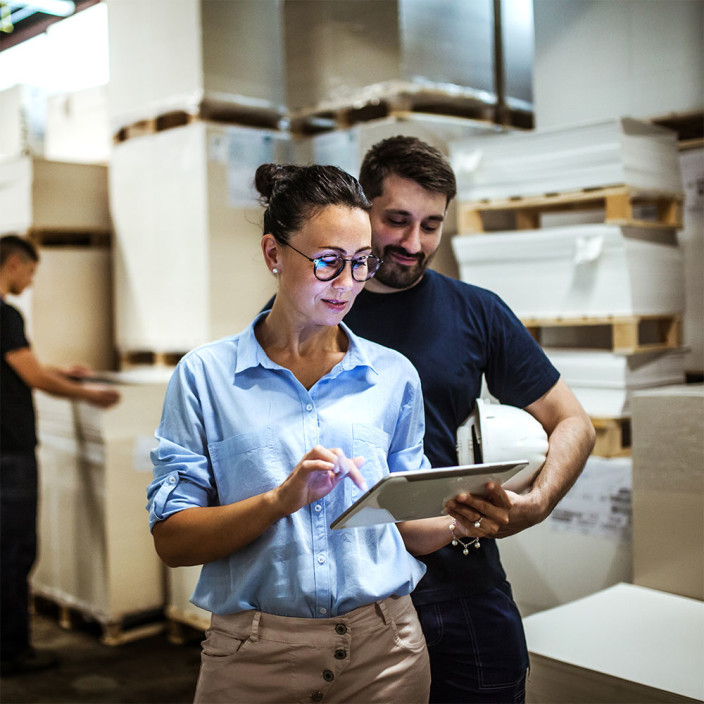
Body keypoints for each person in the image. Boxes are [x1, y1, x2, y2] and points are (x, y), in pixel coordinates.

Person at [147, 163, 512, 704]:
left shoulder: (394, 376)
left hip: (387, 652)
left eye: (361, 263)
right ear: (274, 254)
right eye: (327, 263)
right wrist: (279, 499)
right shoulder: (206, 377)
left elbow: (402, 528)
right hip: (255, 658)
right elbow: (173, 540)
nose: (347, 284)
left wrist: (462, 519)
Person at [340, 136, 597, 703]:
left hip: (460, 580)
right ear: (363, 211)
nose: (414, 243)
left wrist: (535, 504)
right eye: (397, 221)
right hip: (349, 587)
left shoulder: (474, 310)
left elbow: (573, 422)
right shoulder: (317, 311)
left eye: (431, 225)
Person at [0, 234, 121, 677]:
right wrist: (88, 394)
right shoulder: (5, 314)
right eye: (30, 272)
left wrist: (60, 370)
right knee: (14, 550)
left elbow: (19, 366)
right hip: (9, 454)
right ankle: (12, 650)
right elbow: (32, 377)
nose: (30, 282)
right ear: (14, 264)